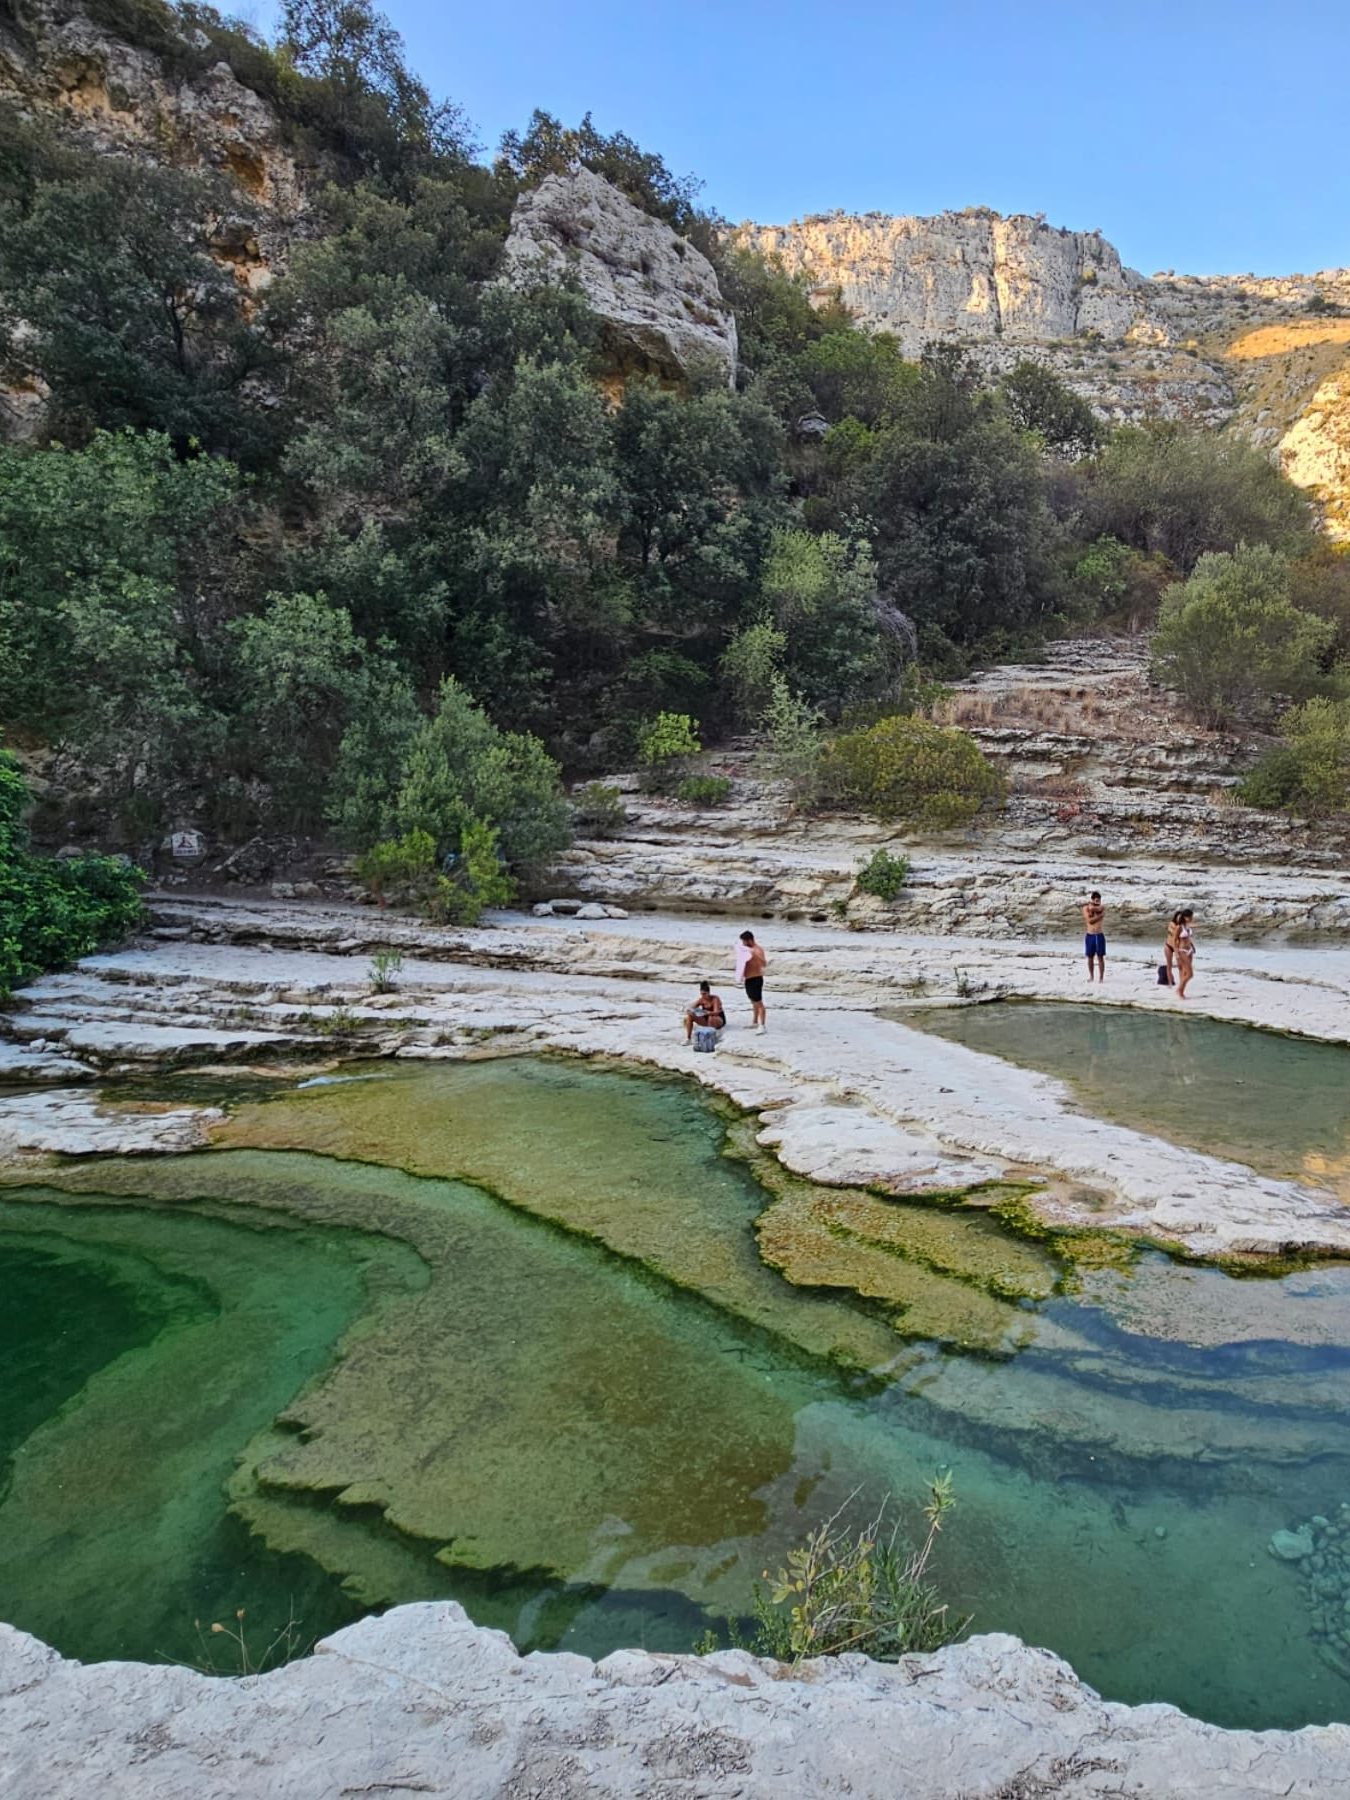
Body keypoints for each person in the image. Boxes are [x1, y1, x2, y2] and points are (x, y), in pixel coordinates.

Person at [737, 929, 768, 1034]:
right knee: (753, 1001)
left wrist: (754, 954)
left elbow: (764, 964)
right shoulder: (746, 949)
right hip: (748, 979)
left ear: (749, 940)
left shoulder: (757, 950)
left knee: (759, 1002)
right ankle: (754, 1021)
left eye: (744, 941)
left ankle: (762, 1025)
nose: (743, 943)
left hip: (756, 978)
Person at [1081, 891, 1106, 983]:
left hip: (1099, 935)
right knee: (1090, 957)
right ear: (1092, 900)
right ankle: (1091, 976)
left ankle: (1101, 978)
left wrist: (1093, 907)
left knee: (1100, 957)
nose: (1098, 902)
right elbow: (1090, 921)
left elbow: (1099, 909)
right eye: (1096, 900)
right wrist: (1099, 916)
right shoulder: (1086, 908)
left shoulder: (1101, 907)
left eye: (1099, 900)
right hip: (1090, 935)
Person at [1174, 909, 1196, 999]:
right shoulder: (1179, 927)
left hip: (1190, 950)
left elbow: (1188, 938)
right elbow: (1175, 940)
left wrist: (1193, 946)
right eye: (1189, 917)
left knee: (1185, 972)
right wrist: (1176, 954)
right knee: (1190, 974)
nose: (1191, 918)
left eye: (1191, 916)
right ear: (1184, 917)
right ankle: (1180, 990)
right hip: (1182, 950)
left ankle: (1180, 990)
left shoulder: (1187, 926)